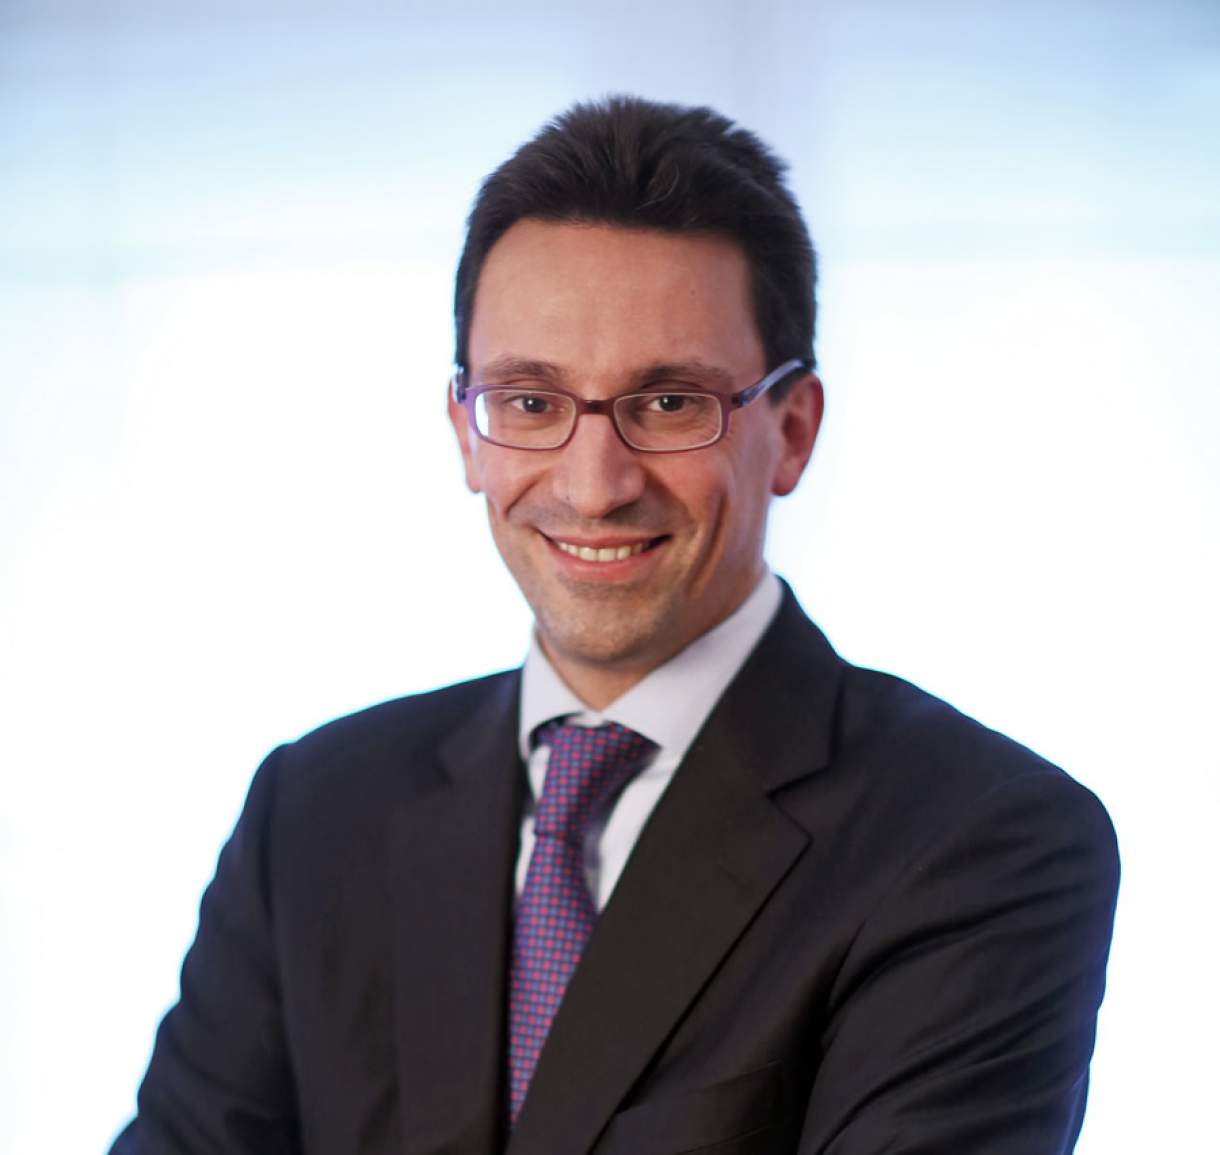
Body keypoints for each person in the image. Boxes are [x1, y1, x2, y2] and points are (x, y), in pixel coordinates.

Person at [112, 96, 1119, 1155]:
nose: (593, 487)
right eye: (530, 401)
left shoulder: (976, 840)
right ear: (465, 430)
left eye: (670, 402)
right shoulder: (315, 812)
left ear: (791, 431)